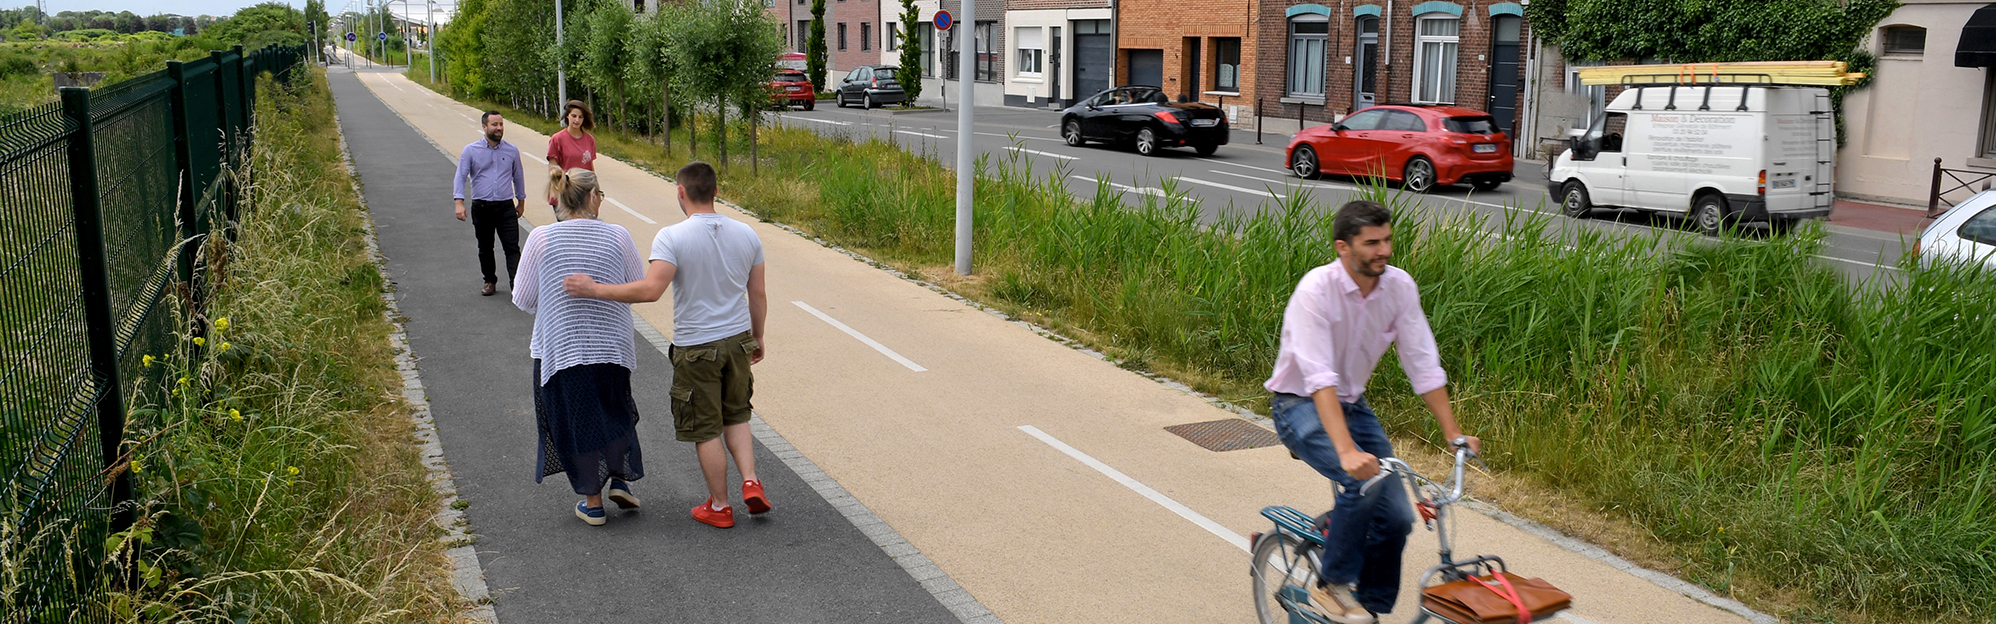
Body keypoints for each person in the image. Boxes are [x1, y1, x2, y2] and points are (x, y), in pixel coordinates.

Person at [1265, 200, 1481, 624]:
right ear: (1343, 247)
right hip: (1298, 405)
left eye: (1387, 240)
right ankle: (1330, 585)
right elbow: (1318, 378)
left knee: (1399, 518)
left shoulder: (1399, 288)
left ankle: (1371, 607)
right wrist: (1346, 452)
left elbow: (1422, 361)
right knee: (1358, 479)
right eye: (1372, 243)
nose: (1383, 250)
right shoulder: (1315, 291)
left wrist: (1453, 433)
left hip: (1351, 404)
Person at [563, 161, 768, 530]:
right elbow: (758, 293)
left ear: (681, 191)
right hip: (739, 339)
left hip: (697, 345)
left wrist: (594, 290)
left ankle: (720, 505)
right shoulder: (747, 234)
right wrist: (758, 335)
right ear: (716, 191)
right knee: (736, 414)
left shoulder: (672, 237)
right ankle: (751, 481)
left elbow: (650, 290)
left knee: (706, 428)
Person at [513, 168, 648, 526]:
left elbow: (522, 298)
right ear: (591, 198)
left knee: (579, 421)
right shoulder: (618, 235)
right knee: (615, 409)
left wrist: (552, 303)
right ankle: (620, 479)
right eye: (600, 194)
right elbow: (637, 286)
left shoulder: (541, 239)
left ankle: (593, 502)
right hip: (613, 346)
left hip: (563, 347)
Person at [453, 111, 528, 297]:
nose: (499, 128)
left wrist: (521, 201)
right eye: (494, 124)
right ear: (484, 127)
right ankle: (489, 280)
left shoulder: (511, 150)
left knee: (512, 247)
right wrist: (459, 202)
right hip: (482, 207)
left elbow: (518, 176)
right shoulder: (471, 150)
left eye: (501, 124)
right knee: (485, 247)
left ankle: (516, 285)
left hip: (505, 207)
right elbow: (460, 176)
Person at [546, 100, 597, 207]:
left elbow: (590, 167)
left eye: (580, 117)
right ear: (567, 116)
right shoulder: (557, 139)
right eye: (574, 116)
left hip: (583, 193)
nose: (577, 120)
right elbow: (553, 167)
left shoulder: (589, 139)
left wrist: (595, 188)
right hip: (564, 192)